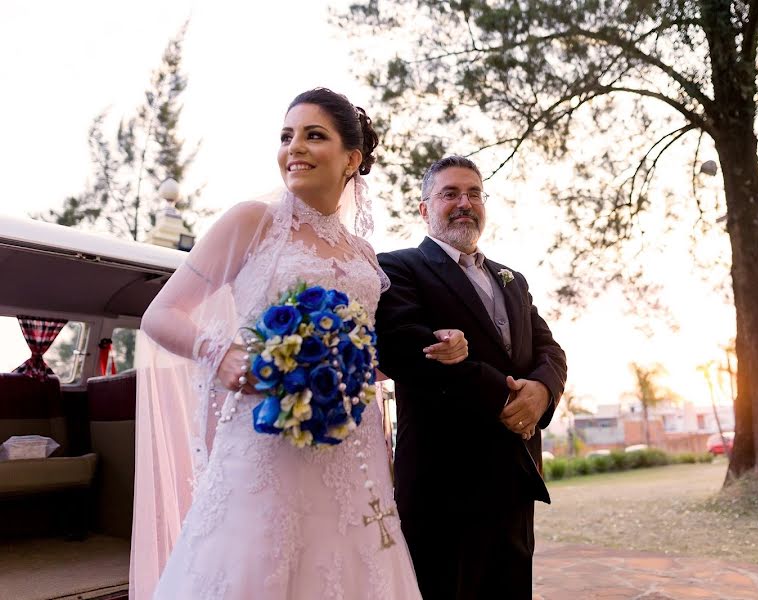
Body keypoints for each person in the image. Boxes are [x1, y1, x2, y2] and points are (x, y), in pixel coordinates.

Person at [130, 88, 468, 600]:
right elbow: (161, 314)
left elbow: (371, 353)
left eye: (314, 136)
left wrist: (438, 344)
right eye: (287, 136)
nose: (296, 148)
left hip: (351, 448)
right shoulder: (251, 222)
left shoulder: (364, 256)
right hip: (263, 442)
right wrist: (219, 353)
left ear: (352, 159)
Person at [375, 155, 568, 599]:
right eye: (449, 193)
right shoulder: (398, 268)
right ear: (424, 209)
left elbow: (550, 351)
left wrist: (540, 394)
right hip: (442, 487)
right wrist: (507, 399)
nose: (464, 203)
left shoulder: (513, 280)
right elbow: (406, 348)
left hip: (516, 477)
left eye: (474, 193)